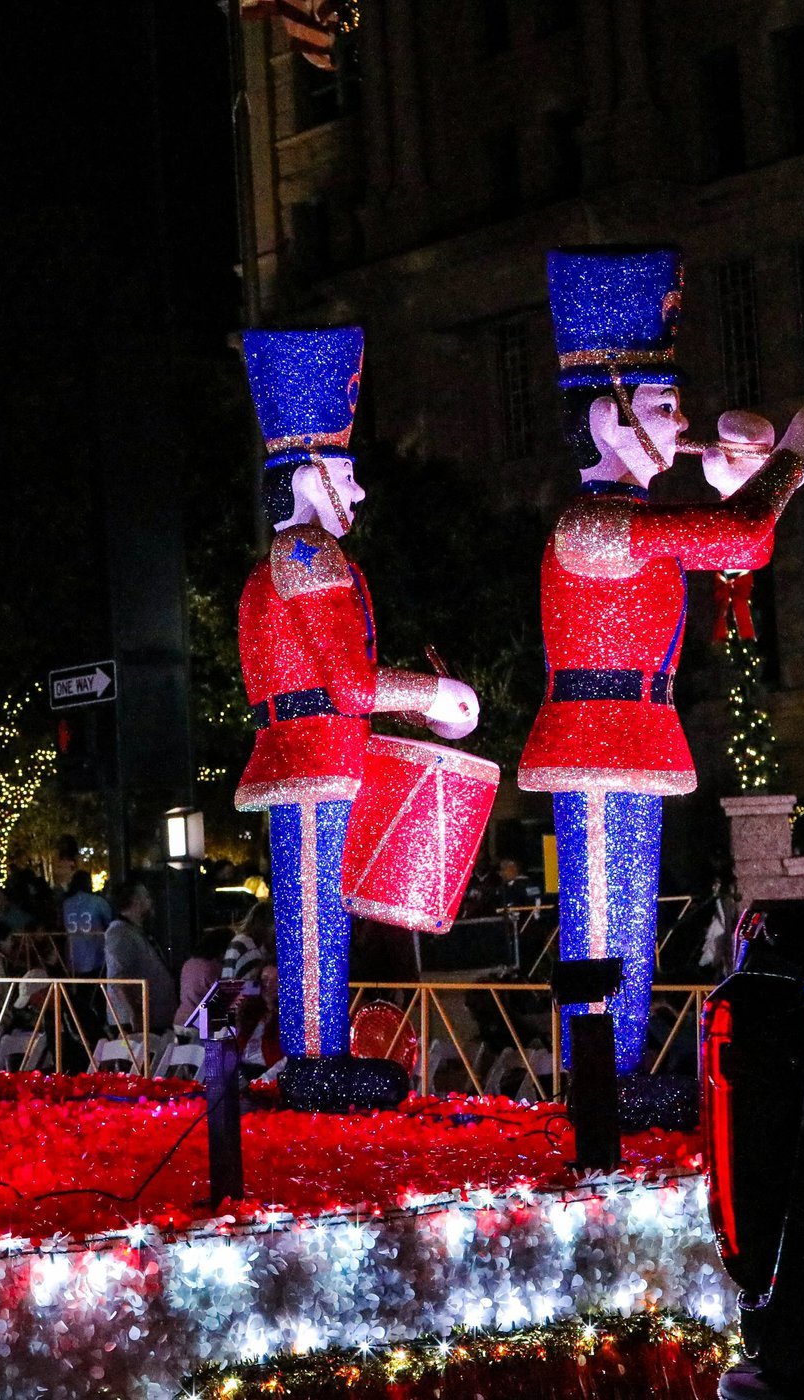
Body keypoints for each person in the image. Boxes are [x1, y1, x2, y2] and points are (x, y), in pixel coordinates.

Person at [522, 246, 804, 1119]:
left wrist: (752, 475)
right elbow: (739, 541)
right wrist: (793, 454)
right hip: (593, 735)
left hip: (634, 732)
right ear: (609, 418)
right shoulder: (590, 525)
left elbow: (736, 536)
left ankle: (618, 1073)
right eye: (663, 406)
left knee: (629, 908)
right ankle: (598, 1080)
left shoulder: (632, 519)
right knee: (601, 912)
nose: (680, 422)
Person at [232, 327, 478, 1111]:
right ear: (308, 476)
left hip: (315, 751)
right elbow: (351, 683)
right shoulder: (306, 553)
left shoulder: (297, 557)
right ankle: (313, 1059)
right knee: (313, 912)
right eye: (347, 472)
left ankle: (319, 1054)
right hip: (311, 752)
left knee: (321, 910)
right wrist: (435, 697)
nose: (360, 492)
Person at [102, 878, 176, 1033]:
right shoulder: (120, 933)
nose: (150, 902)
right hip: (134, 1022)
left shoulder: (134, 931)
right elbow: (119, 977)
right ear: (136, 901)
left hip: (150, 1017)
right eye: (146, 897)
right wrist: (135, 1013)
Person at [61, 869, 114, 976]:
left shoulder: (66, 903)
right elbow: (110, 921)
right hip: (96, 956)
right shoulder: (97, 901)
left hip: (73, 955)